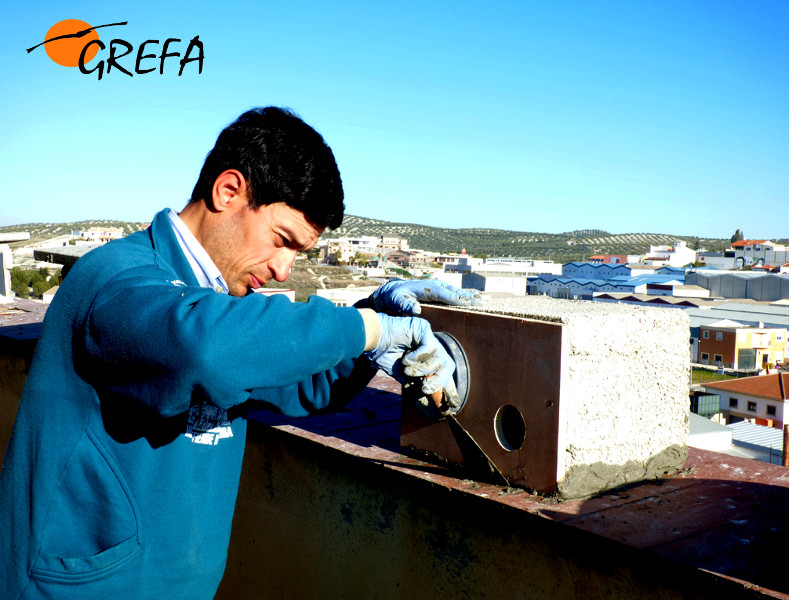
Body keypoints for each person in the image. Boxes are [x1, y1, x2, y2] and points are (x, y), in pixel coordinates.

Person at [0, 107, 479, 600]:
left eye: (300, 254)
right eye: (281, 241)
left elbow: (301, 382)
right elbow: (200, 349)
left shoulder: (227, 304)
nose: (283, 270)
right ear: (229, 191)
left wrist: (374, 318)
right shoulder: (115, 279)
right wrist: (368, 329)